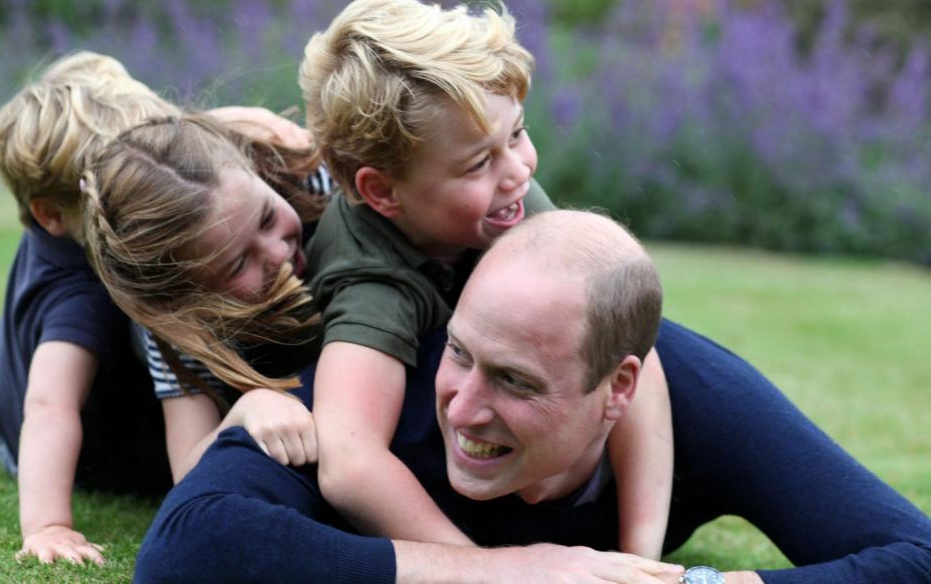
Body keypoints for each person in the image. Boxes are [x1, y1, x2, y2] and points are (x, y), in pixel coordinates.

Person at [132, 210, 931, 584]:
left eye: (515, 381)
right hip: (126, 393)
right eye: (463, 354)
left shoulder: (696, 393)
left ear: (619, 386)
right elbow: (186, 549)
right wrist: (520, 571)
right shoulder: (379, 383)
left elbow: (913, 555)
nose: (464, 406)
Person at [298, 0, 674, 556]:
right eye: (479, 163)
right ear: (383, 191)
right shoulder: (370, 278)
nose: (518, 170)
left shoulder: (503, 193)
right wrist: (486, 570)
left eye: (518, 133)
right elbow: (350, 462)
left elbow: (635, 355)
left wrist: (639, 558)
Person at [0, 50, 318, 566]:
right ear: (54, 214)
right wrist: (48, 524)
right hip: (12, 413)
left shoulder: (123, 195)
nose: (145, 186)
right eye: (115, 188)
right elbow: (49, 408)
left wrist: (228, 124)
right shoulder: (78, 294)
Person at [82, 113, 333, 483]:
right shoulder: (178, 326)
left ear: (254, 169)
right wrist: (246, 410)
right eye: (238, 264)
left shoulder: (314, 180)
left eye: (266, 218)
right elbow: (187, 468)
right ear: (185, 297)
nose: (278, 253)